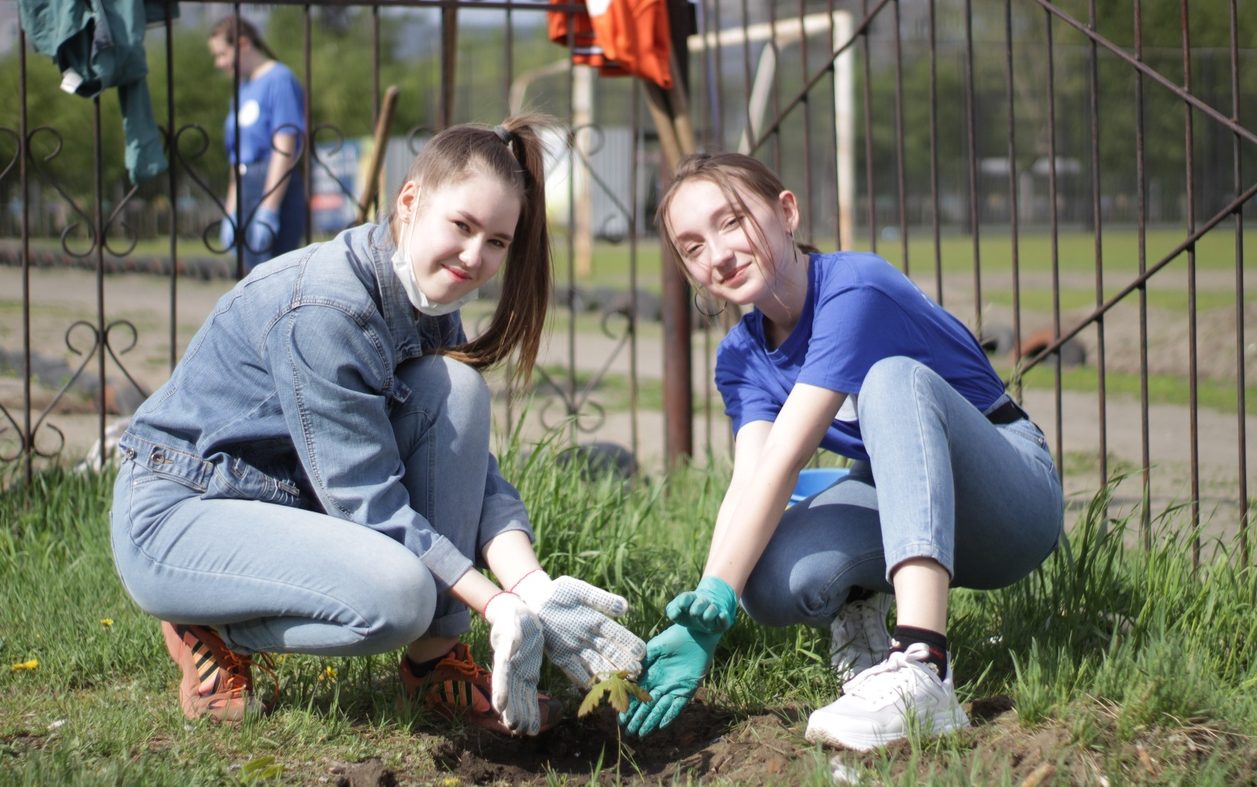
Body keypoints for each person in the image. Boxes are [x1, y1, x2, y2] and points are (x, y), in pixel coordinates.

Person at [109, 116, 646, 735]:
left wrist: (533, 586)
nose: (475, 257)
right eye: (463, 226)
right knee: (400, 599)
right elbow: (369, 502)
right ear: (410, 200)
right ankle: (203, 621)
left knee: (458, 390)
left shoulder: (424, 296)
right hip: (183, 511)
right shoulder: (326, 309)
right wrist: (494, 604)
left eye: (497, 241)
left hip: (285, 506)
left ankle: (436, 665)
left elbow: (473, 471)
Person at [620, 153, 1063, 751]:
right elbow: (752, 478)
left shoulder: (857, 287)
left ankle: (924, 668)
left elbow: (786, 459)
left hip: (1011, 503)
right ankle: (867, 627)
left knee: (891, 379)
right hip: (902, 498)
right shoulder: (741, 357)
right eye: (692, 246)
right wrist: (708, 608)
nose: (717, 254)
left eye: (732, 222)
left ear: (786, 211)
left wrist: (719, 585)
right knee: (773, 578)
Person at [208, 17, 307, 272]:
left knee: (275, 282)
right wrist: (231, 211)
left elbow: (284, 145)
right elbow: (237, 156)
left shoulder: (279, 79)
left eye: (222, 54)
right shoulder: (242, 89)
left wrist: (269, 208)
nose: (219, 63)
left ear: (243, 44)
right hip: (245, 188)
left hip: (274, 186)